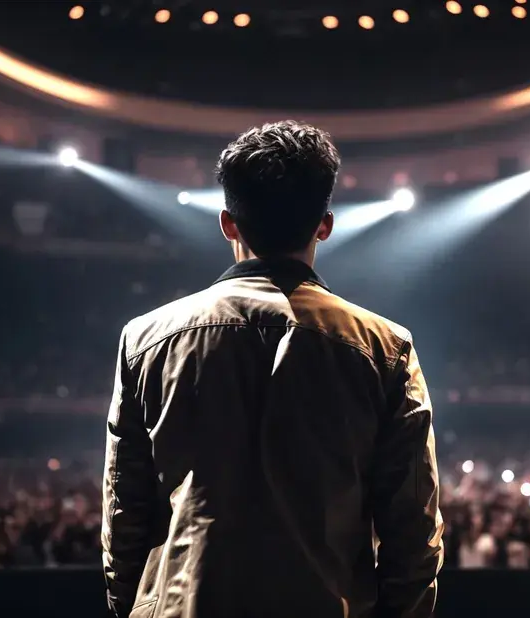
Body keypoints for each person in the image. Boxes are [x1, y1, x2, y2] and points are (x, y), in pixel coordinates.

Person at [101, 121, 444, 618]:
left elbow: (123, 514)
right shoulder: (385, 348)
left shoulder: (145, 340)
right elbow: (413, 530)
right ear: (324, 225)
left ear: (228, 223)